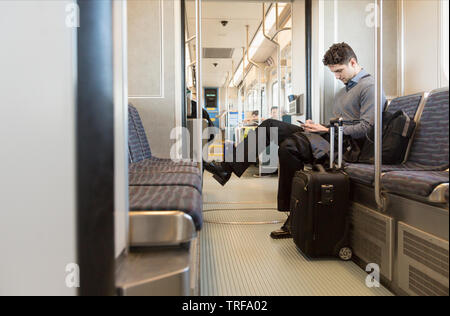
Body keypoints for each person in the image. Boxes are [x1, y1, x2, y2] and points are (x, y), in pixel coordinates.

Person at [204, 42, 386, 238]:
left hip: (347, 147)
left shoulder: (370, 88)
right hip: (330, 137)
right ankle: (226, 168)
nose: (337, 76)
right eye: (334, 72)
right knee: (270, 126)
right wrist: (317, 126)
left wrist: (325, 129)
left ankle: (294, 217)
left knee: (288, 148)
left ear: (353, 62)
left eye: (340, 71)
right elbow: (339, 123)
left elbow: (367, 129)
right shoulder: (343, 91)